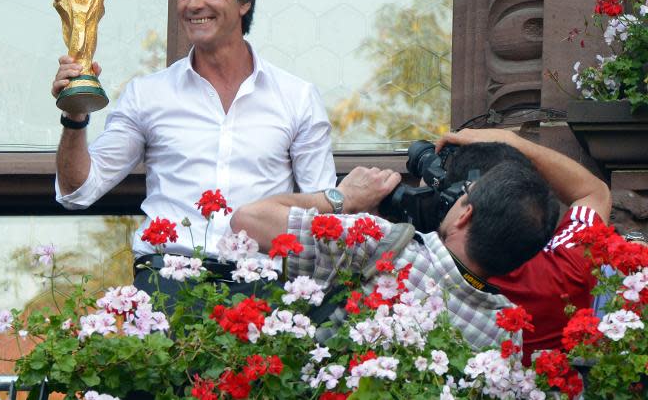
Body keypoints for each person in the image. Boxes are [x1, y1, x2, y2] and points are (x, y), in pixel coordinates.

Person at [51, 0, 336, 266]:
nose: (193, 4)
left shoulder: (296, 97)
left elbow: (325, 216)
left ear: (244, 1)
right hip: (168, 284)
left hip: (262, 288)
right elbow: (79, 191)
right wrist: (75, 115)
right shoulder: (147, 94)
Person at [231, 133, 560, 349]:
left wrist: (343, 197)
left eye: (462, 195)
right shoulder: (507, 332)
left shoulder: (385, 245)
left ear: (463, 215)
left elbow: (249, 219)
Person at [434, 129, 611, 364]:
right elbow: (594, 193)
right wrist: (516, 142)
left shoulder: (417, 266)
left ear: (465, 211)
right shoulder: (567, 273)